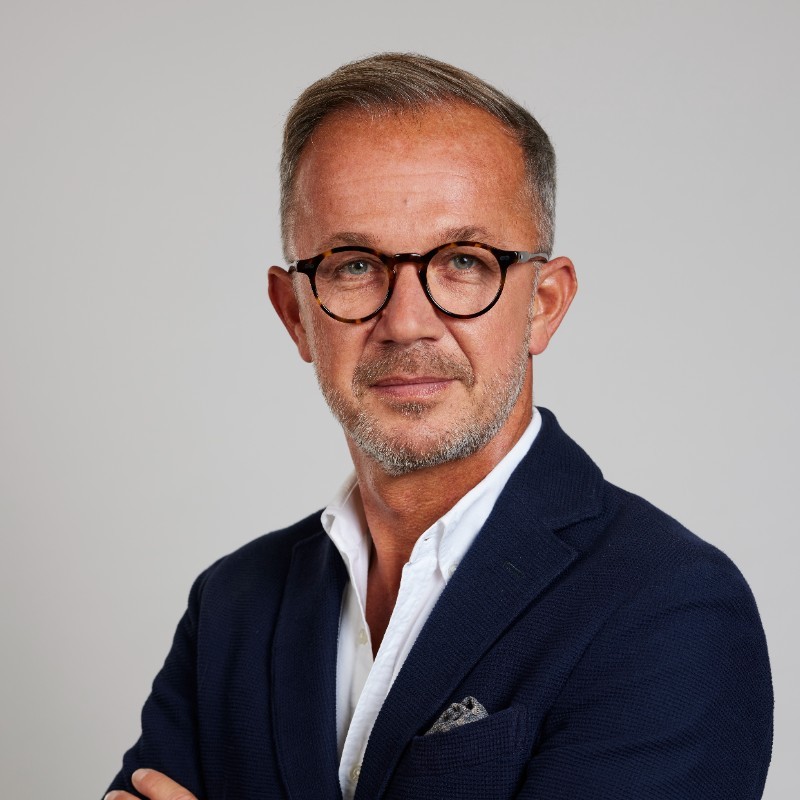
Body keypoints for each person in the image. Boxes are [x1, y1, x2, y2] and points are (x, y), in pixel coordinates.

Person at [104, 53, 772, 800]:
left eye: (463, 260)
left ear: (544, 304)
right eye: (354, 265)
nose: (407, 321)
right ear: (295, 314)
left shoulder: (668, 606)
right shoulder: (233, 605)